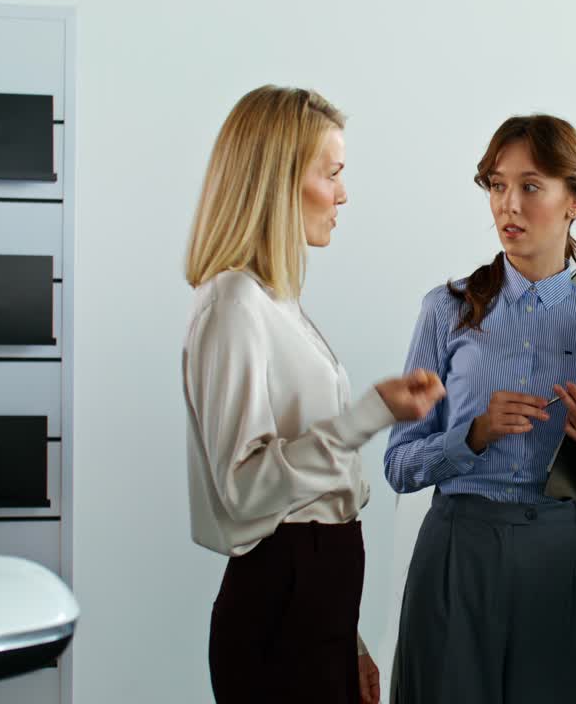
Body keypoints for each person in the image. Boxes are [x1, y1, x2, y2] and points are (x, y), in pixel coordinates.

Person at [181, 85, 445, 704]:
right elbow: (244, 489)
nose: (343, 194)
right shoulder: (233, 305)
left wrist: (348, 638)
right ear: (279, 181)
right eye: (332, 174)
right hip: (284, 605)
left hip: (316, 599)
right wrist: (372, 414)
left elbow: (316, 503)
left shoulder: (277, 303)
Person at [384, 114, 576, 703]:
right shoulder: (444, 311)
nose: (509, 205)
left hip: (560, 567)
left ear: (574, 200)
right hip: (457, 559)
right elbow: (398, 466)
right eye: (497, 186)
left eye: (531, 186)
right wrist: (471, 436)